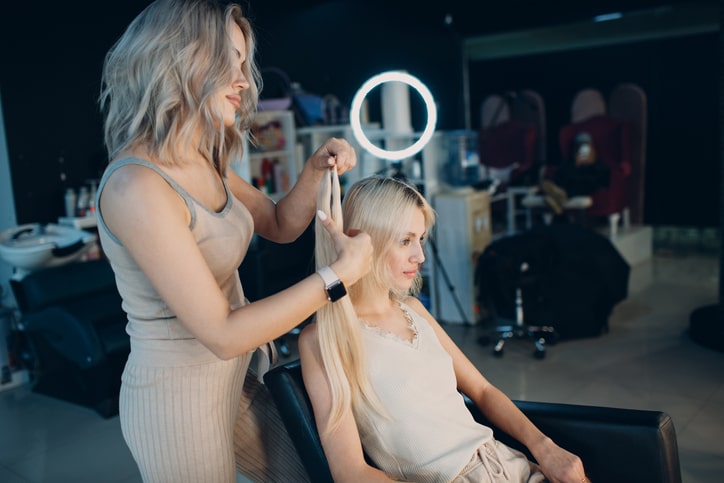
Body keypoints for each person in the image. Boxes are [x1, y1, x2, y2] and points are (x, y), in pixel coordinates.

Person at [96, 1, 372, 481]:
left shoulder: (206, 160)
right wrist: (337, 277)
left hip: (240, 377)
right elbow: (222, 333)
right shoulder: (136, 187)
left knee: (311, 474)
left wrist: (313, 168)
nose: (244, 79)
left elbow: (282, 224)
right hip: (177, 400)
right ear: (177, 59)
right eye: (229, 60)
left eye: (244, 62)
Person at [299, 172, 589, 482]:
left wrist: (545, 449)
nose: (420, 256)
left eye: (420, 239)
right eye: (405, 240)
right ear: (361, 239)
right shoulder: (324, 339)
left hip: (511, 464)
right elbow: (350, 473)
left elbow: (483, 390)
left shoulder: (413, 309)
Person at [540, 131, 611, 216]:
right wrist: (576, 165)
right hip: (571, 181)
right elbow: (561, 175)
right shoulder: (569, 162)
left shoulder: (599, 163)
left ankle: (559, 197)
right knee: (567, 178)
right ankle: (558, 198)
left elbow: (603, 178)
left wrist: (591, 164)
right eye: (580, 146)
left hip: (587, 184)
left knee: (584, 182)